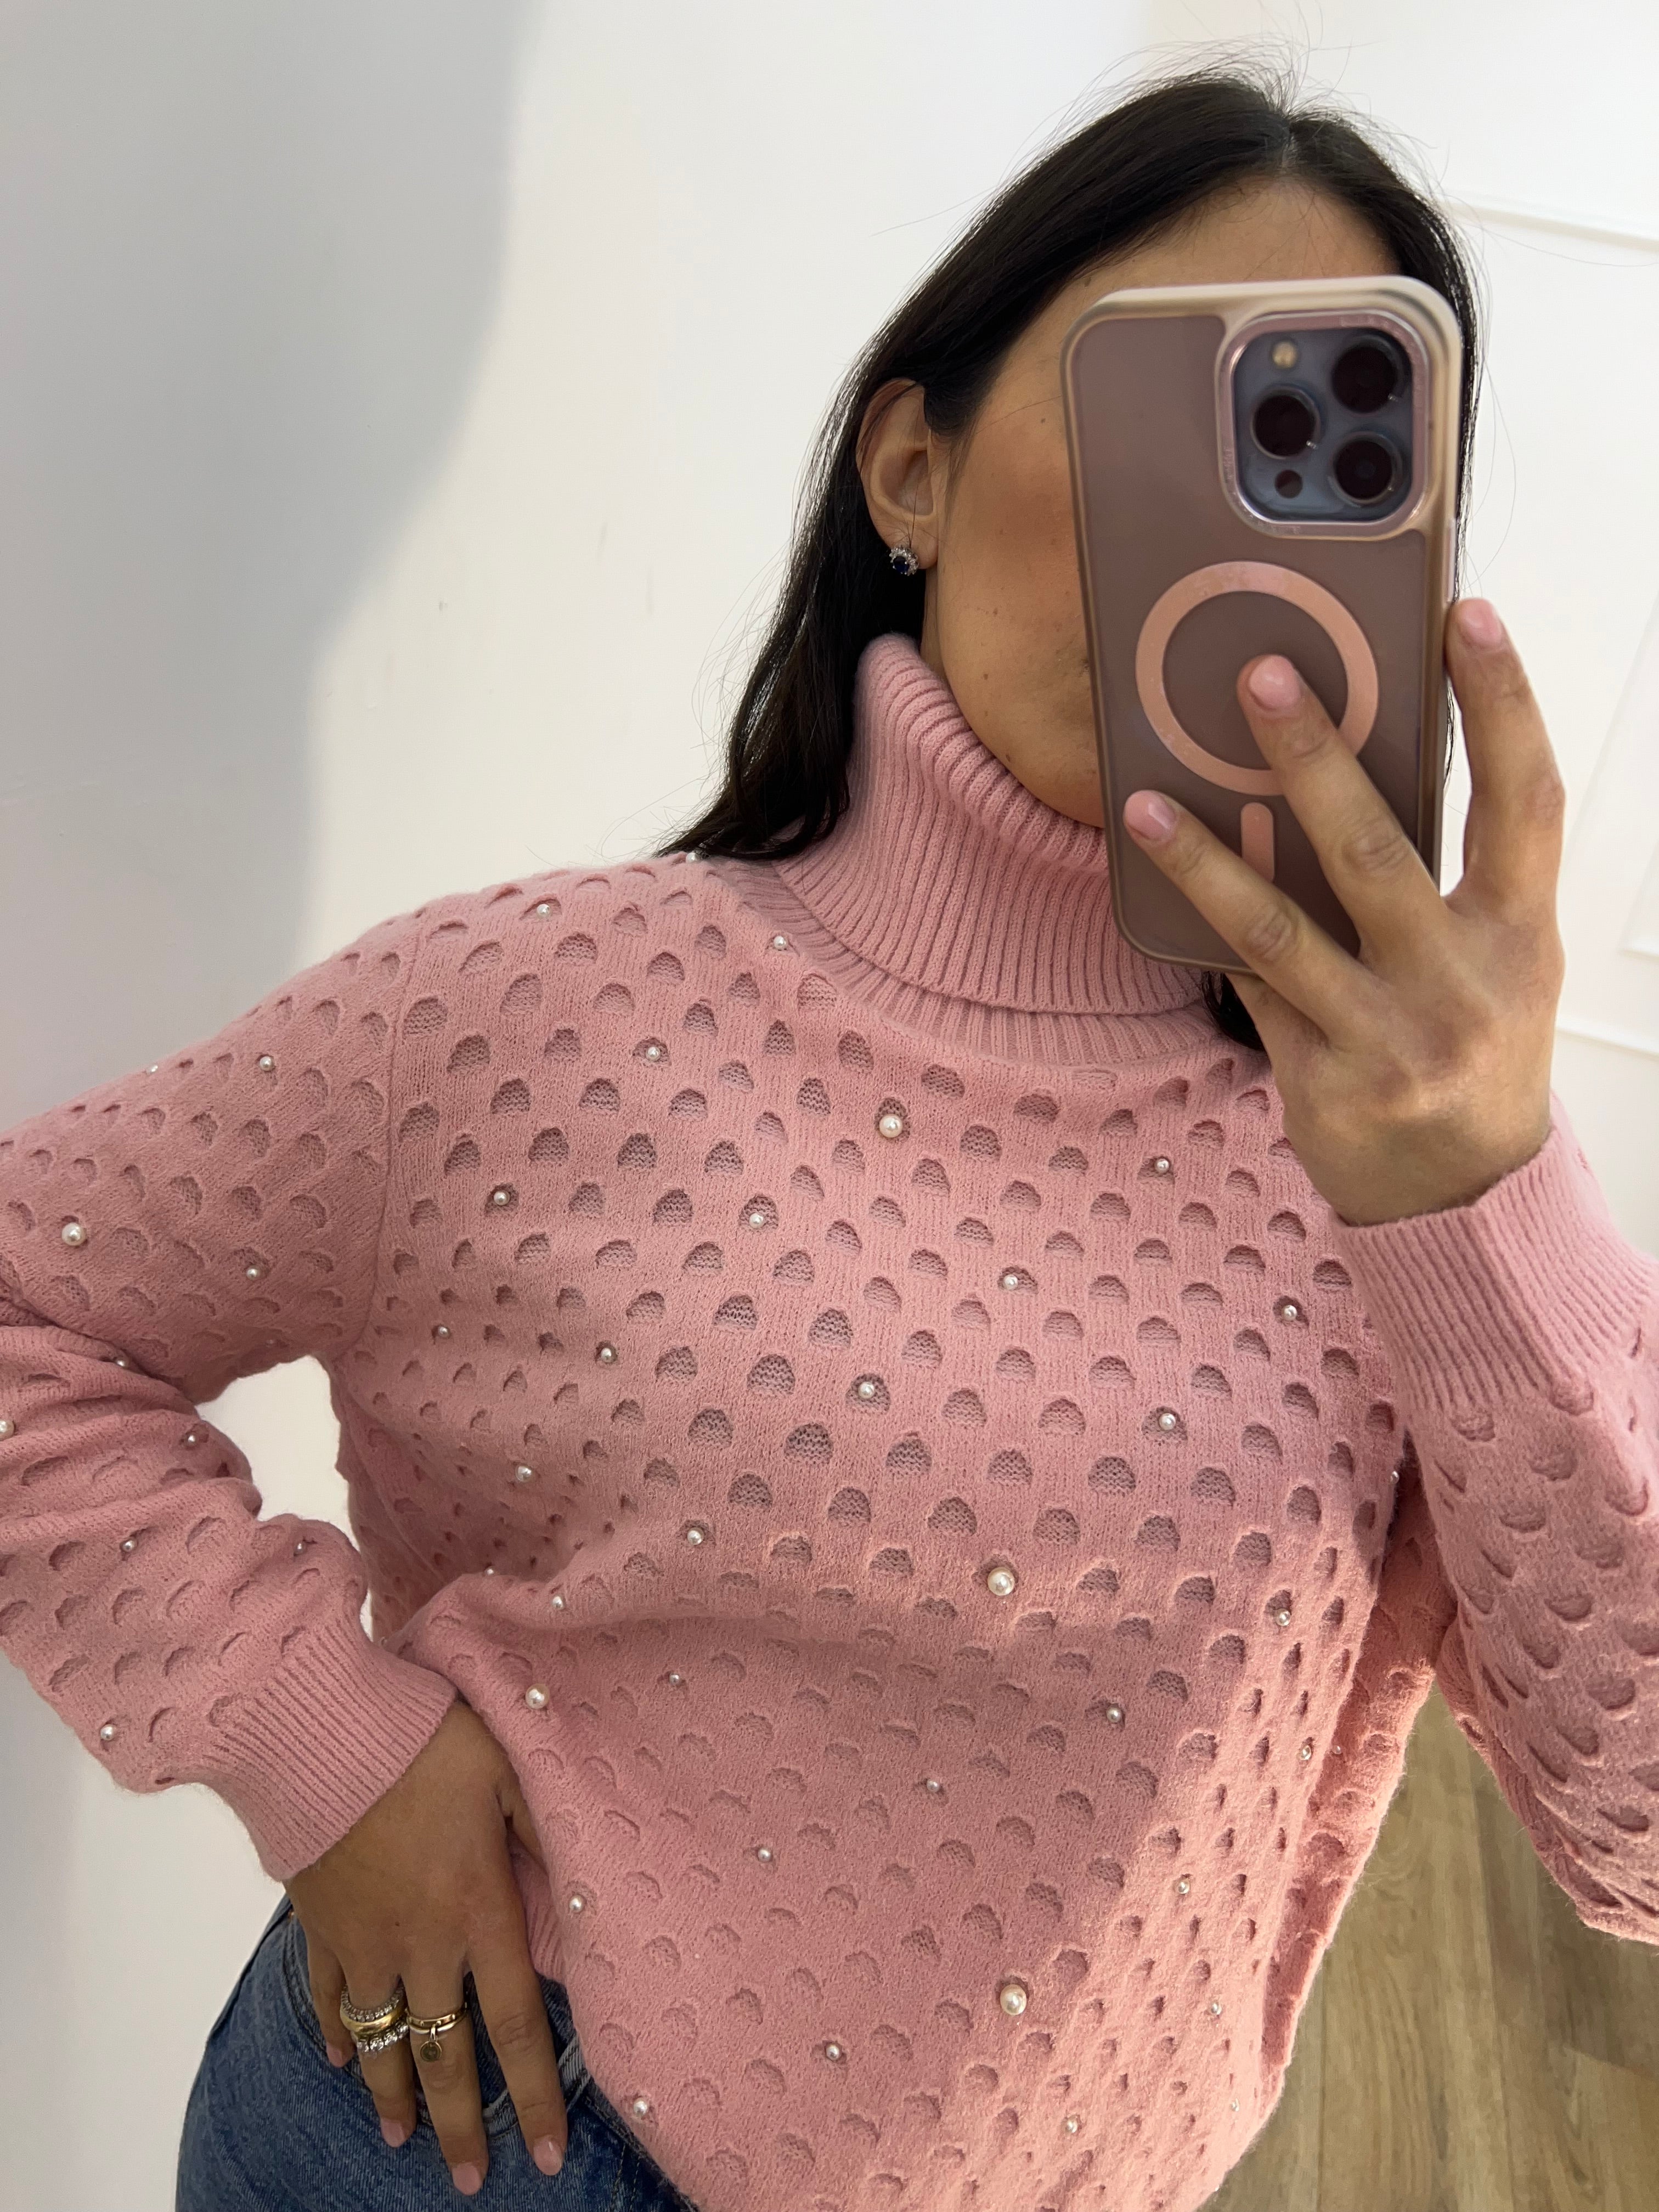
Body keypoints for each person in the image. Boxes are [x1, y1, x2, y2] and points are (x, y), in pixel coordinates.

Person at [2, 61, 1654, 2212]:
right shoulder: (528, 1011)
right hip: (451, 2144)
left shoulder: (1421, 1178)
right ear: (912, 467)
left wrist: (1477, 1201)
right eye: (1157, 413)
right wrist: (320, 1746)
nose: (1221, 541)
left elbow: (1639, 1837)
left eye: (1321, 459)